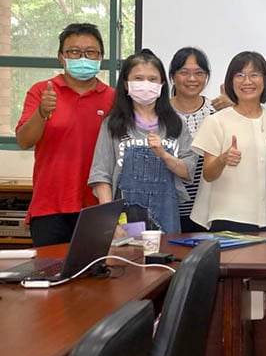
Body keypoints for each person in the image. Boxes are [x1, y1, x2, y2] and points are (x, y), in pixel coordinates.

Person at [15, 23, 115, 247]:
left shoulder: (113, 98)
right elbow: (24, 141)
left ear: (101, 57)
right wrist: (42, 112)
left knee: (98, 270)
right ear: (61, 57)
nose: (83, 58)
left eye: (91, 52)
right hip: (50, 206)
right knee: (50, 268)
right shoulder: (42, 91)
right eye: (74, 52)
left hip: (97, 206)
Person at [88, 49, 196, 234]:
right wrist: (110, 221)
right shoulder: (113, 125)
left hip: (167, 218)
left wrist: (164, 155)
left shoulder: (176, 124)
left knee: (165, 254)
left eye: (152, 79)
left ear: (162, 84)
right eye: (138, 79)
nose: (146, 84)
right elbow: (101, 176)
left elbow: (187, 171)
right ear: (126, 84)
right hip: (124, 219)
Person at [190, 51, 266, 232]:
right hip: (228, 218)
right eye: (240, 75)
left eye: (254, 75)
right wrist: (222, 159)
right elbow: (208, 174)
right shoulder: (217, 121)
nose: (247, 81)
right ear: (231, 81)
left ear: (265, 80)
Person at [168, 47, 233, 233]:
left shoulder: (216, 112)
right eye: (184, 72)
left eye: (199, 73)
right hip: (169, 207)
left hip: (208, 209)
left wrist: (234, 109)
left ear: (206, 77)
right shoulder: (159, 113)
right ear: (172, 76)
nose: (192, 79)